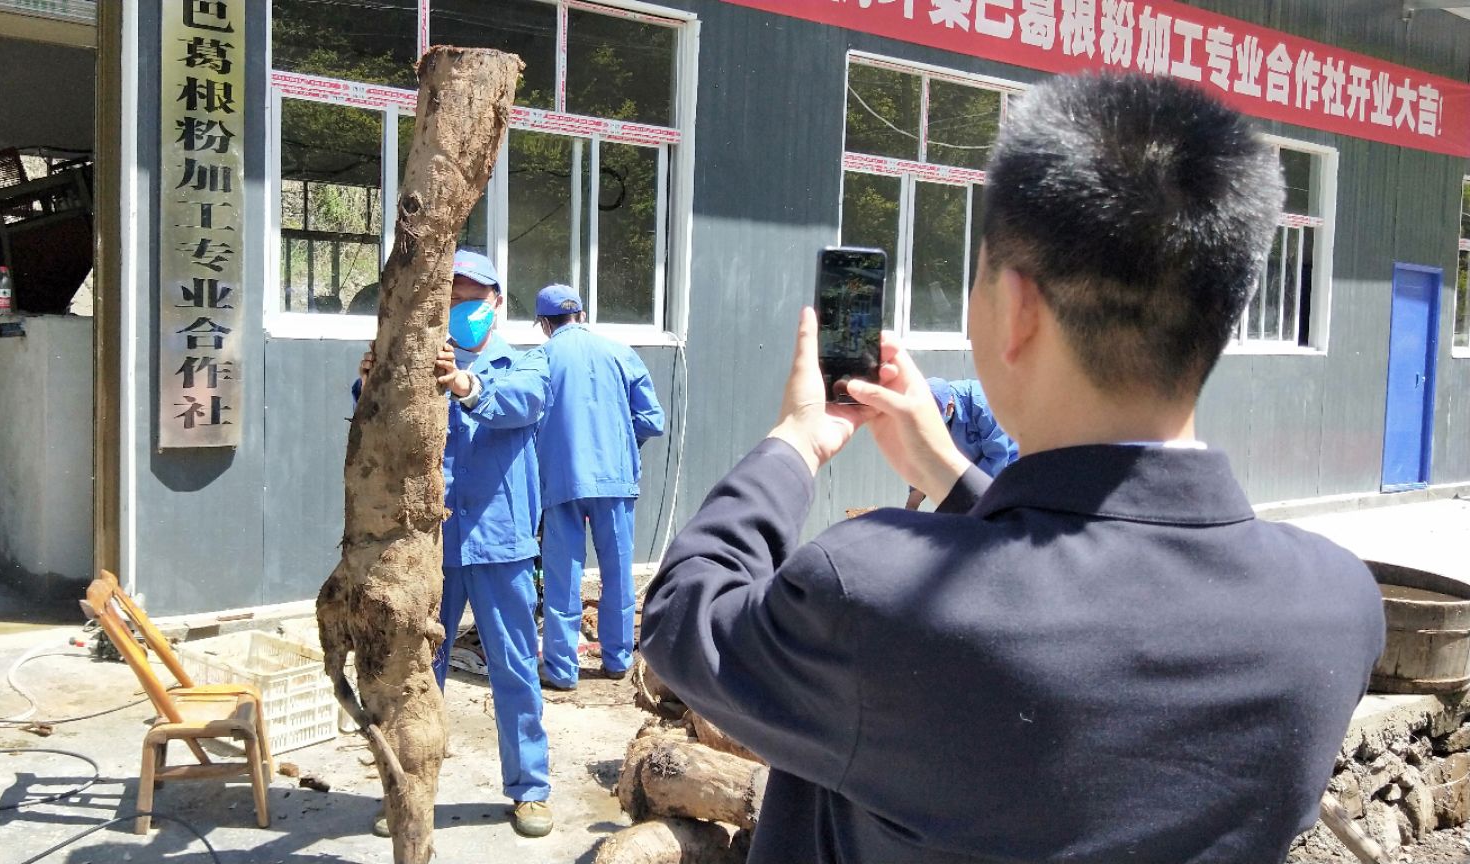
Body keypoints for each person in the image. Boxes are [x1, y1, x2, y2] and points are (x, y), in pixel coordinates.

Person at [640, 73, 1384, 863]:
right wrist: (953, 476)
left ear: (1020, 308)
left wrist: (797, 440)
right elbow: (1094, 589)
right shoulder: (1337, 607)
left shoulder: (873, 591)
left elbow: (686, 613)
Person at [354, 249, 553, 839]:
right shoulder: (415, 363)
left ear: (496, 301)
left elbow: (521, 406)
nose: (461, 308)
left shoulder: (524, 366)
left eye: (472, 297)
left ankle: (531, 790)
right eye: (451, 298)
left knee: (515, 669)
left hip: (500, 546)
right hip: (431, 546)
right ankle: (409, 792)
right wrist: (372, 385)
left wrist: (465, 385)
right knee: (419, 674)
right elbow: (379, 435)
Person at [455, 284, 665, 689]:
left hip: (560, 482)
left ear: (544, 325)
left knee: (562, 579)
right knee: (618, 575)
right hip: (616, 481)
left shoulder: (539, 358)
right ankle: (618, 661)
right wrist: (621, 445)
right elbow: (651, 420)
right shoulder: (621, 353)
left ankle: (561, 671)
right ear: (582, 316)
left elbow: (519, 411)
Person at [903, 377, 1018, 509]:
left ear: (950, 407)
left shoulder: (981, 403)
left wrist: (969, 497)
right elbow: (925, 456)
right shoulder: (923, 410)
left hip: (1006, 465)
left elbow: (998, 457)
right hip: (967, 470)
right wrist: (912, 504)